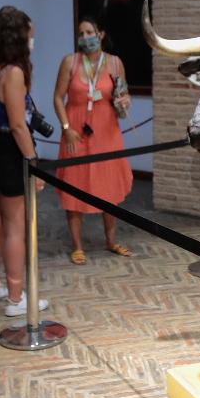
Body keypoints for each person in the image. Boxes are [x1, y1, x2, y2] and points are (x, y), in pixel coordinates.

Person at [0, 6, 48, 316]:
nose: (32, 41)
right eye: (29, 36)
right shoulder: (13, 74)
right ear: (17, 38)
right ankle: (17, 298)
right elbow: (18, 125)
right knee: (15, 226)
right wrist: (33, 162)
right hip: (7, 153)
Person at [53, 17, 134, 265]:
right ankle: (77, 246)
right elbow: (57, 98)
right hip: (76, 130)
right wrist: (66, 128)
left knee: (108, 185)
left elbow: (123, 91)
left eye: (89, 32)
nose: (85, 37)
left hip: (107, 130)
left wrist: (125, 101)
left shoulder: (114, 62)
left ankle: (111, 240)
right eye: (81, 33)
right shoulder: (70, 62)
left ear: (100, 34)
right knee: (75, 184)